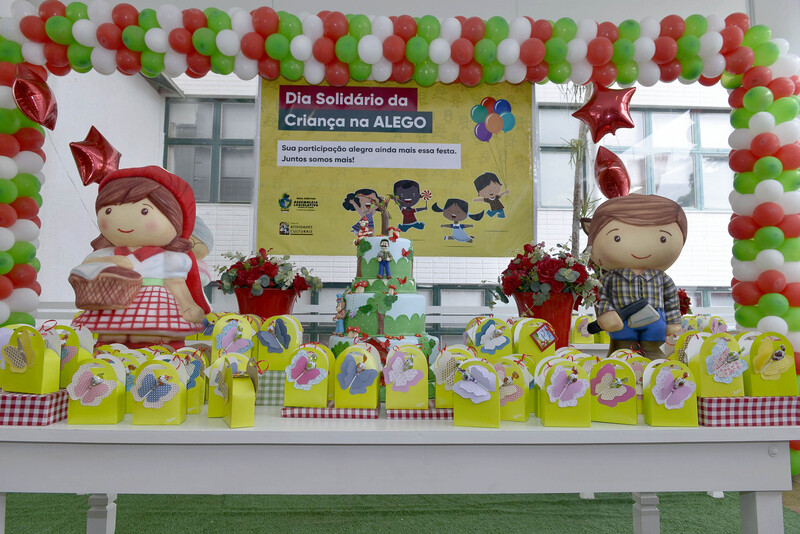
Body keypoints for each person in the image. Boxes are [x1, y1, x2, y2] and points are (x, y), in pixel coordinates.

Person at [70, 166, 210, 348]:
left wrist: (188, 305)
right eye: (109, 211)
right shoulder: (106, 253)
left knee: (157, 340)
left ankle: (160, 359)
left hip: (155, 306)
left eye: (144, 211)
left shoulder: (169, 258)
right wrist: (112, 261)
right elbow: (86, 268)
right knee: (111, 340)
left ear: (174, 217)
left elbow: (175, 282)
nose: (123, 221)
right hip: (112, 305)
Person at [584, 194, 687, 360]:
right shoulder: (609, 278)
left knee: (655, 354)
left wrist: (673, 322)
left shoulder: (663, 279)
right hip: (621, 320)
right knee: (622, 353)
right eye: (617, 238)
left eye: (662, 239)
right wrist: (606, 314)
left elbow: (671, 301)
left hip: (656, 321)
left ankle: (655, 370)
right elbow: (601, 297)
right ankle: (621, 368)